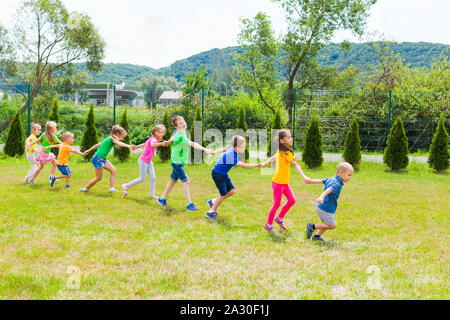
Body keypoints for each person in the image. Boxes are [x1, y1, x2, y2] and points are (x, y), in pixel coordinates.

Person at [157, 115, 214, 211]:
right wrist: (205, 149)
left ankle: (162, 199)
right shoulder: (180, 136)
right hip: (177, 163)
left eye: (183, 121)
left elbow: (173, 137)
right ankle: (189, 204)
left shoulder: (180, 133)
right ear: (176, 126)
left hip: (177, 161)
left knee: (173, 181)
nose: (183, 124)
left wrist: (168, 142)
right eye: (180, 123)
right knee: (186, 182)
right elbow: (192, 144)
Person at [260, 129, 311, 232]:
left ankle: (279, 218)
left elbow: (272, 158)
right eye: (288, 137)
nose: (291, 138)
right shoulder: (285, 152)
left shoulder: (284, 152)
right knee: (276, 204)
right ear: (282, 141)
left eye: (290, 136)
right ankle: (268, 224)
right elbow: (295, 165)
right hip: (278, 183)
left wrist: (265, 164)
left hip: (284, 183)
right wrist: (304, 176)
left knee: (292, 200)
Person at [205, 135, 262, 219]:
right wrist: (256, 165)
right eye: (243, 146)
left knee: (231, 191)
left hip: (223, 174)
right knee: (223, 194)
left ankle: (213, 201)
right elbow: (243, 165)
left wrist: (215, 152)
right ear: (236, 147)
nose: (245, 147)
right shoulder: (231, 155)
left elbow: (226, 147)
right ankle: (211, 212)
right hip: (218, 174)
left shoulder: (231, 148)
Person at [305, 162, 354, 243]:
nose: (350, 177)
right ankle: (312, 226)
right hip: (326, 207)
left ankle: (317, 236)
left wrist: (310, 181)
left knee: (326, 224)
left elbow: (321, 181)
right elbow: (328, 190)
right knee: (332, 225)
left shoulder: (331, 179)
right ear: (341, 173)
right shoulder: (337, 184)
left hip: (322, 206)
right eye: (349, 175)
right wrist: (321, 197)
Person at [80, 125, 135, 193]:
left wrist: (88, 150)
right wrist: (128, 146)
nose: (122, 138)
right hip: (97, 159)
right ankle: (85, 188)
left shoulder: (108, 139)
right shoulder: (111, 139)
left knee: (113, 171)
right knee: (99, 178)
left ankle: (111, 189)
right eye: (122, 136)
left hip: (102, 159)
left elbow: (97, 145)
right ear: (117, 134)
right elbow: (118, 143)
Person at [122, 125, 169, 199]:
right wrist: (161, 144)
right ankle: (126, 186)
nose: (163, 134)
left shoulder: (153, 139)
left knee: (153, 177)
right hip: (143, 161)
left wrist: (136, 147)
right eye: (161, 133)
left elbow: (144, 144)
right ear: (156, 132)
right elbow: (152, 144)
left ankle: (152, 195)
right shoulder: (153, 139)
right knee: (142, 178)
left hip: (149, 161)